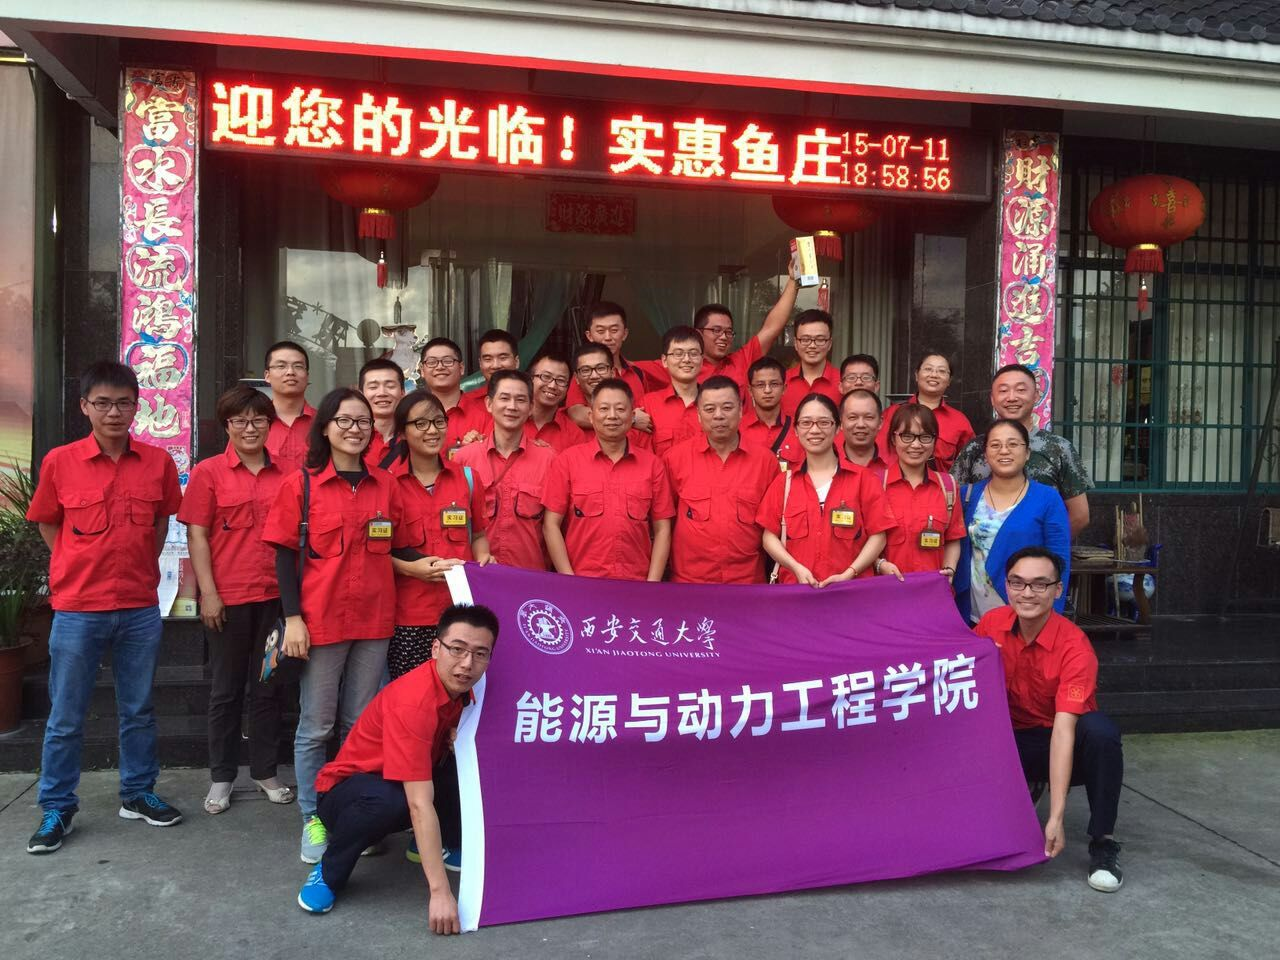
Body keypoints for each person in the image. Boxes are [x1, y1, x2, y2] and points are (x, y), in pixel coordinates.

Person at [25, 361, 184, 854]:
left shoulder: (157, 462)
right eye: (103, 403)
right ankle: (57, 807)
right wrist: (74, 563)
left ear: (137, 406)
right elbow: (48, 523)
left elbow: (161, 523)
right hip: (78, 607)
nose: (114, 412)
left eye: (123, 403)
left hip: (139, 606)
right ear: (84, 406)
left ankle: (137, 793)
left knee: (138, 708)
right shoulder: (60, 461)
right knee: (66, 715)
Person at [262, 388, 426, 865]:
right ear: (326, 428)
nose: (355, 429)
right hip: (321, 622)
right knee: (316, 726)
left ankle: (354, 814)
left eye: (363, 422)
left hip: (375, 621)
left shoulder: (385, 485)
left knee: (360, 726)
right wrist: (294, 619)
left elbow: (400, 547)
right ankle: (313, 816)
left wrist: (443, 564)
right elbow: (284, 557)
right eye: (345, 421)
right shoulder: (302, 485)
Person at [295, 604, 498, 928]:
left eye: (480, 654)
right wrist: (440, 893)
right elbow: (418, 803)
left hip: (402, 779)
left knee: (466, 755)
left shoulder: (463, 689)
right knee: (394, 801)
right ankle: (329, 871)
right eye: (457, 649)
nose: (467, 664)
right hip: (347, 794)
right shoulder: (413, 701)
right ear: (436, 648)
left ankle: (434, 843)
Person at [974, 547, 1124, 893]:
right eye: (1018, 583)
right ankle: (1019, 790)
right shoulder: (990, 625)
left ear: (1058, 590)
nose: (1027, 593)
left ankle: (1103, 842)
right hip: (1011, 741)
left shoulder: (1075, 646)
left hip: (1063, 743)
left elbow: (1064, 730)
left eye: (1040, 584)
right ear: (1006, 586)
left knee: (1101, 733)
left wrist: (1056, 817)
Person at [179, 386, 294, 815]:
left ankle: (265, 771)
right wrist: (208, 593)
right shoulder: (208, 473)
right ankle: (222, 776)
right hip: (228, 599)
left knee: (268, 689)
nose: (250, 428)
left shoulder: (289, 473)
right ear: (226, 426)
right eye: (240, 421)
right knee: (226, 691)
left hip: (276, 600)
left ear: (269, 424)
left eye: (258, 420)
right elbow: (197, 535)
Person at [385, 390, 492, 679]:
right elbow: (378, 553)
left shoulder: (467, 478)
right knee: (413, 694)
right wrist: (411, 569)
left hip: (461, 611)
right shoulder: (388, 485)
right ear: (402, 432)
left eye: (438, 422)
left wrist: (484, 557)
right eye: (421, 423)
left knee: (461, 691)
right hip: (410, 615)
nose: (432, 430)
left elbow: (478, 535)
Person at [757, 393, 898, 586]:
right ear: (796, 430)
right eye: (806, 423)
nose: (814, 430)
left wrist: (849, 573)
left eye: (824, 422)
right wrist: (795, 567)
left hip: (851, 591)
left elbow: (878, 536)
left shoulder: (863, 480)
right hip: (797, 591)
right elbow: (768, 537)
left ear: (838, 427)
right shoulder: (784, 483)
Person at [542, 378, 675, 581]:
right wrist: (569, 580)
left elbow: (663, 529)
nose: (612, 416)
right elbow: (550, 525)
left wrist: (652, 583)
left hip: (636, 582)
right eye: (604, 409)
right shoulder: (567, 461)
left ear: (632, 416)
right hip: (582, 580)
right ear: (591, 416)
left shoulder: (652, 465)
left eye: (620, 409)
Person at [951, 363, 1094, 536]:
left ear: (1036, 396)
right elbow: (953, 504)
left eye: (1020, 390)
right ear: (993, 399)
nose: (1012, 397)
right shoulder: (974, 448)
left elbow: (1079, 515)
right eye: (1003, 391)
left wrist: (1047, 547)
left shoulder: (1059, 448)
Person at [954, 419, 1071, 625]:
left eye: (1013, 444)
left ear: (1027, 453)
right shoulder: (967, 496)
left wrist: (1051, 617)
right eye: (995, 445)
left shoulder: (1047, 499)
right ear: (985, 454)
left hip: (1025, 614)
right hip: (973, 614)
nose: (1004, 451)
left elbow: (1060, 560)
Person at [664, 376, 778, 583]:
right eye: (709, 409)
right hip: (690, 582)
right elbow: (664, 522)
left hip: (747, 583)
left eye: (727, 408)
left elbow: (774, 528)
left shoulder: (766, 462)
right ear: (698, 415)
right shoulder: (675, 459)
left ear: (741, 411)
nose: (718, 416)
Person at [454, 370, 556, 570]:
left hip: (530, 577)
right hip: (478, 575)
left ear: (531, 408)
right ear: (489, 404)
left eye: (520, 400)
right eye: (504, 398)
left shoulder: (549, 460)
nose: (512, 406)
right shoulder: (464, 459)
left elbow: (557, 527)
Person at [880, 403, 966, 579]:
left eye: (925, 437)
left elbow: (952, 538)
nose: (916, 444)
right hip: (887, 587)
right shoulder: (877, 484)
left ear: (934, 441)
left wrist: (949, 571)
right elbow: (861, 541)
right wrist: (880, 564)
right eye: (907, 436)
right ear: (893, 439)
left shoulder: (948, 486)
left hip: (932, 588)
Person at [691, 273, 797, 389]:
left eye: (728, 332)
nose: (723, 337)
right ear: (698, 334)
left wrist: (793, 279)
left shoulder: (741, 361)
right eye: (716, 330)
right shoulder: (686, 367)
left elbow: (772, 328)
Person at [564, 302, 659, 430]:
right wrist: (632, 419)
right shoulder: (585, 375)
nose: (608, 337)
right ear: (589, 336)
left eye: (614, 330)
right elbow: (577, 414)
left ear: (624, 334)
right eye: (600, 331)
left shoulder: (637, 372)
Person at [877, 351, 974, 472]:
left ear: (949, 380)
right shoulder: (892, 413)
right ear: (917, 375)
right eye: (928, 369)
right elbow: (881, 454)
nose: (934, 375)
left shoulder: (959, 421)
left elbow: (968, 465)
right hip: (895, 482)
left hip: (941, 483)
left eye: (942, 371)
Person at [571, 341, 652, 450]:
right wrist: (630, 420)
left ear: (613, 372)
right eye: (585, 370)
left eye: (601, 368)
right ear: (576, 378)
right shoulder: (567, 425)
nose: (594, 376)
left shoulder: (639, 421)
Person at [639, 326, 705, 457]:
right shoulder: (648, 404)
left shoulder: (715, 404)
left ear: (702, 360)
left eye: (693, 353)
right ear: (664, 361)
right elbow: (644, 457)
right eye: (678, 354)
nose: (686, 359)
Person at [457, 329, 522, 442]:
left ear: (516, 362)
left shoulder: (531, 403)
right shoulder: (466, 403)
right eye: (488, 359)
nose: (495, 365)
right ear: (480, 364)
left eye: (503, 358)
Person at [740, 356, 803, 470]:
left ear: (784, 388)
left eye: (774, 384)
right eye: (760, 385)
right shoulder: (737, 430)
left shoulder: (799, 429)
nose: (767, 390)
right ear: (750, 390)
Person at [780, 309, 842, 417]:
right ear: (795, 343)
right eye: (805, 339)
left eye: (820, 339)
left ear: (829, 344)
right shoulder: (780, 382)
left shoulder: (843, 382)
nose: (812, 346)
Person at [264, 340, 314, 472]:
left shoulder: (324, 423)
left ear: (307, 376)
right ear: (267, 376)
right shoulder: (253, 424)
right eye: (281, 366)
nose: (290, 372)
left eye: (298, 366)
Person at [416, 337, 473, 452]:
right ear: (422, 370)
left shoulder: (485, 413)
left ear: (461, 368)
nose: (440, 367)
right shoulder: (412, 414)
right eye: (432, 362)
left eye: (447, 361)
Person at [524, 350, 586, 452]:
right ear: (531, 379)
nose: (552, 386)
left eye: (561, 380)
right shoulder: (508, 418)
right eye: (546, 377)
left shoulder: (574, 435)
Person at [359, 357, 407, 469]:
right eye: (373, 387)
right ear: (361, 395)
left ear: (402, 393)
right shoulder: (351, 437)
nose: (382, 393)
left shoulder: (415, 437)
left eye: (390, 386)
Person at [837, 388, 889, 478]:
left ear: (880, 423)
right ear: (841, 422)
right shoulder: (829, 464)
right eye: (853, 417)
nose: (861, 425)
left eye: (868, 417)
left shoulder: (893, 464)